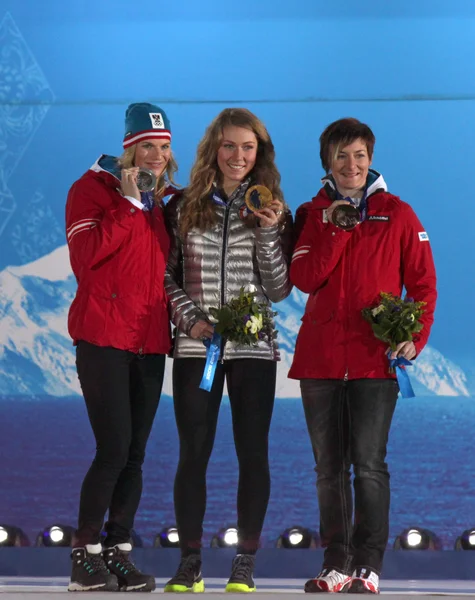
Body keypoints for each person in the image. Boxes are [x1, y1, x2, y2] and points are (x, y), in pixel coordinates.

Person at [288, 118, 437, 594]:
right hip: (321, 362)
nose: (351, 165)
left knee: (369, 465)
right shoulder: (311, 213)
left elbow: (423, 285)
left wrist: (414, 336)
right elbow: (305, 277)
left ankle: (368, 566)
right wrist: (334, 228)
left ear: (370, 158)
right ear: (327, 164)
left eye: (359, 155)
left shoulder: (399, 214)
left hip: (376, 363)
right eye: (341, 156)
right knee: (328, 469)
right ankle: (336, 562)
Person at [163, 108, 293, 593]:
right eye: (229, 146)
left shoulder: (275, 209)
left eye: (248, 147)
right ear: (213, 150)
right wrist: (191, 320)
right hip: (199, 346)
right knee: (193, 453)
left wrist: (265, 231)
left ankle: (245, 562)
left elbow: (279, 289)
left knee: (252, 454)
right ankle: (190, 561)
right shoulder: (182, 207)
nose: (238, 156)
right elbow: (165, 277)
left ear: (260, 153)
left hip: (254, 349)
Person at [65, 102, 177, 592]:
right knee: (112, 449)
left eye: (163, 147)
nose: (155, 156)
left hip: (149, 342)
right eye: (146, 147)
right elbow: (86, 258)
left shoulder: (168, 201)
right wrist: (129, 206)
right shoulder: (90, 190)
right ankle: (83, 557)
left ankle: (117, 550)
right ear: (128, 149)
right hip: (103, 338)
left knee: (134, 454)